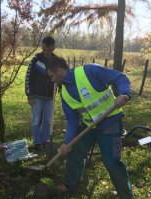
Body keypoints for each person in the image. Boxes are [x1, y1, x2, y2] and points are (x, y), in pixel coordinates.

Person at [46, 56, 133, 199]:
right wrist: (67, 143)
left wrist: (124, 94)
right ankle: (71, 185)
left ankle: (126, 195)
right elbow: (72, 121)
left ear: (60, 71)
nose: (52, 80)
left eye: (52, 76)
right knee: (74, 152)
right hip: (89, 127)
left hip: (110, 123)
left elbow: (120, 77)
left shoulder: (89, 71)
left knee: (112, 162)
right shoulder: (65, 94)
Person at [25, 36, 56, 149]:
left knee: (48, 121)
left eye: (49, 50)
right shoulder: (36, 60)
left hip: (50, 97)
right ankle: (37, 142)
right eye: (44, 50)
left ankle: (44, 141)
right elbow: (28, 77)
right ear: (42, 47)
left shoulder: (56, 61)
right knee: (36, 121)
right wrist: (29, 95)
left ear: (53, 48)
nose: (46, 52)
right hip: (36, 96)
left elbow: (60, 77)